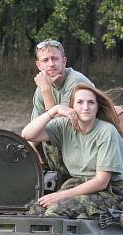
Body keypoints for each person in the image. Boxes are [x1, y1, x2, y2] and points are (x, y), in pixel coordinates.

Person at [21, 84, 123, 219]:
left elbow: (101, 182)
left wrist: (60, 195)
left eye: (91, 102)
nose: (85, 107)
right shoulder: (64, 125)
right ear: (72, 107)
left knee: (54, 212)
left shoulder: (107, 132)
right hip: (77, 185)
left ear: (97, 107)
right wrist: (54, 110)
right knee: (35, 212)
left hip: (110, 194)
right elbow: (27, 134)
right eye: (80, 102)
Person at [30, 39, 94, 173]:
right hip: (68, 139)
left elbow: (60, 123)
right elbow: (35, 125)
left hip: (89, 138)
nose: (51, 64)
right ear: (38, 65)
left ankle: (64, 178)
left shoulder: (76, 81)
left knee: (50, 138)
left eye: (55, 59)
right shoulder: (41, 89)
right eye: (45, 60)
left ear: (64, 61)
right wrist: (31, 148)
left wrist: (46, 91)